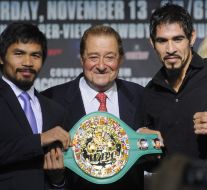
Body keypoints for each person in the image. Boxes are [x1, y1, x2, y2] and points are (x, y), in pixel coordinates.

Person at [42, 25, 147, 190]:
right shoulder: (51, 100)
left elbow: (154, 161)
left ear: (120, 59)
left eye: (109, 57)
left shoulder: (141, 96)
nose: (101, 65)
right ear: (82, 59)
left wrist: (154, 146)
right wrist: (57, 181)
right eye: (93, 57)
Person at [135, 3, 207, 159]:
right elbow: (150, 163)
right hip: (171, 183)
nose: (170, 49)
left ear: (192, 38)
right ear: (152, 43)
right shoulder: (149, 94)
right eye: (162, 41)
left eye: (178, 39)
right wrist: (144, 147)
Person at [0, 22, 70, 190]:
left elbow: (64, 171)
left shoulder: (56, 111)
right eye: (19, 53)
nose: (28, 62)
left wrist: (58, 180)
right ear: (1, 57)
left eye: (35, 55)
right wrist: (40, 139)